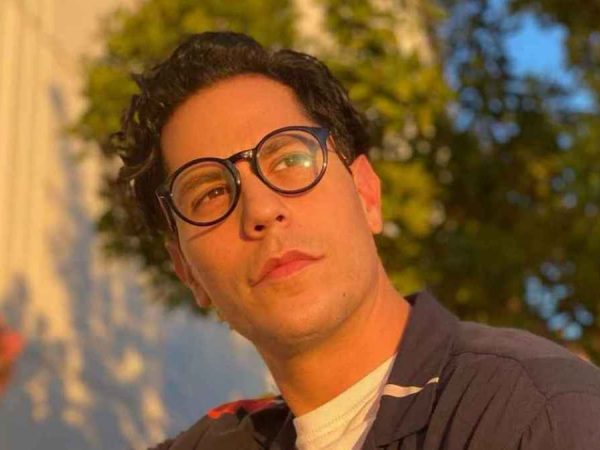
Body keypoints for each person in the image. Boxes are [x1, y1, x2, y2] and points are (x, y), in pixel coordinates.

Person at [113, 31, 600, 449]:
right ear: (187, 271)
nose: (260, 210)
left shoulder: (531, 415)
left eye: (290, 160)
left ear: (366, 192)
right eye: (211, 193)